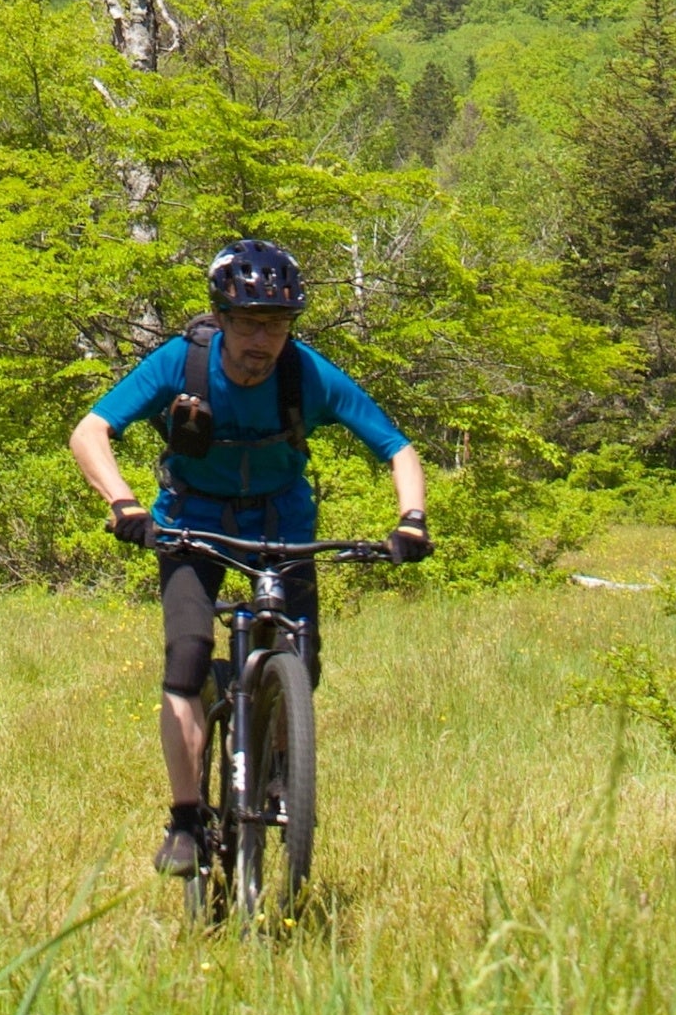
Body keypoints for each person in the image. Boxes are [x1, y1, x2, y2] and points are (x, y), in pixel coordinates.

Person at [67, 237, 431, 876]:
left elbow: (397, 448)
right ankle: (185, 819)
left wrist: (412, 520)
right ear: (223, 320)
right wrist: (125, 505)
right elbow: (90, 431)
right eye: (249, 324)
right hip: (192, 525)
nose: (263, 340)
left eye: (278, 325)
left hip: (282, 523)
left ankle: (274, 769)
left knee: (303, 665)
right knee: (183, 660)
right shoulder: (183, 362)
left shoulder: (307, 374)